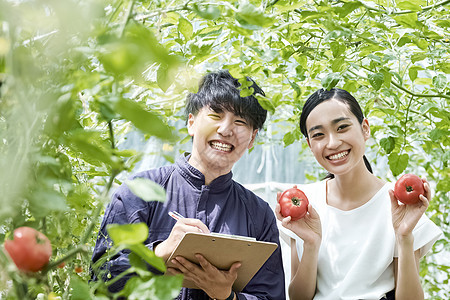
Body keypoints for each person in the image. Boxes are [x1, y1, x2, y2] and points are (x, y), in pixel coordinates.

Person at [91, 70, 286, 300]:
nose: (225, 130)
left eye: (240, 121)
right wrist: (160, 252)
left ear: (251, 139)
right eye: (216, 115)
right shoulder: (139, 192)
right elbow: (100, 282)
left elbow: (270, 296)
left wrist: (227, 296)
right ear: (191, 123)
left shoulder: (259, 214)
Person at [276, 88, 442, 300]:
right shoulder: (304, 203)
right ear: (310, 144)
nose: (332, 143)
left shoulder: (400, 205)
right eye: (318, 135)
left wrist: (405, 238)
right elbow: (299, 298)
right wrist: (310, 244)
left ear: (365, 128)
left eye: (342, 127)